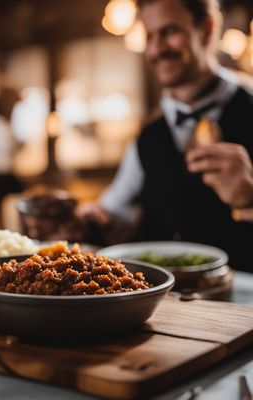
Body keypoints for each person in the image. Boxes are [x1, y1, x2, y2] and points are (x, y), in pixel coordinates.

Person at [72, 0, 253, 271]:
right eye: (149, 36)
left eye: (169, 32)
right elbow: (114, 211)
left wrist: (251, 198)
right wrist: (87, 219)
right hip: (161, 303)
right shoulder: (148, 134)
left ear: (206, 29)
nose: (156, 49)